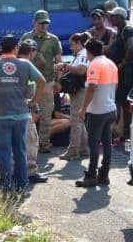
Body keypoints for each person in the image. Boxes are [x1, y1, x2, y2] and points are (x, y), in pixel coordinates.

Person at [0, 35, 45, 193]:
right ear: (16, 48)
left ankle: (6, 185)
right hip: (21, 115)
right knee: (20, 150)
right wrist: (32, 101)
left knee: (3, 151)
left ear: (0, 49)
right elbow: (42, 81)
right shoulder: (25, 64)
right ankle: (22, 184)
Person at [76, 39, 118, 188]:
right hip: (110, 109)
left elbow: (92, 87)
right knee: (107, 143)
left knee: (93, 143)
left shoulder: (94, 64)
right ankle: (104, 175)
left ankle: (91, 175)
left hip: (97, 111)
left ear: (88, 52)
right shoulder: (111, 64)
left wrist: (83, 108)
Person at [21, 10, 62, 152]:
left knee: (46, 113)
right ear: (34, 22)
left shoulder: (53, 39)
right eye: (41, 23)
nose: (44, 26)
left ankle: (44, 142)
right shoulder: (26, 37)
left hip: (47, 81)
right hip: (28, 81)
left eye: (46, 23)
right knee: (26, 112)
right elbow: (20, 58)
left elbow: (58, 61)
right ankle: (26, 141)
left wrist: (58, 81)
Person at [106, 6, 133, 142]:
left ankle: (126, 133)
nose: (111, 18)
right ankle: (123, 132)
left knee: (124, 102)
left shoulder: (127, 30)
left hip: (127, 74)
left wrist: (122, 63)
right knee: (120, 100)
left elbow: (131, 48)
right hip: (121, 73)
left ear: (120, 18)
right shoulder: (119, 32)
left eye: (113, 16)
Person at [55, 32, 90, 160]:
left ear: (79, 43)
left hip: (81, 90)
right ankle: (83, 148)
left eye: (72, 45)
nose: (70, 47)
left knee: (75, 120)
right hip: (78, 90)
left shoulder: (83, 54)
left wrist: (64, 65)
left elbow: (81, 70)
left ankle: (73, 150)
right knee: (79, 119)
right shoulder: (80, 54)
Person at [17, 40, 47, 183]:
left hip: (8, 109)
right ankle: (30, 172)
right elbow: (39, 84)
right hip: (24, 109)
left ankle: (12, 171)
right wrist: (34, 103)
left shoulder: (10, 64)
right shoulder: (27, 66)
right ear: (31, 52)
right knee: (31, 140)